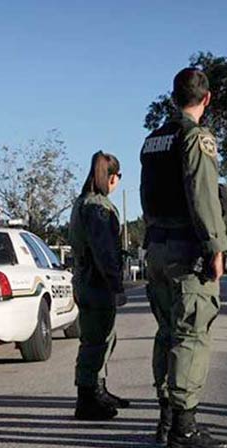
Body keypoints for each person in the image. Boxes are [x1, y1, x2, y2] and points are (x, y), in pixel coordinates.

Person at [140, 67, 227, 448]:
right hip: (185, 251)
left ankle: (165, 418)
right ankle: (184, 427)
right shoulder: (196, 138)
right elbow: (203, 196)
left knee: (166, 332)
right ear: (206, 99)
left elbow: (146, 196)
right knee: (191, 334)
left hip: (157, 246)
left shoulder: (152, 140)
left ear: (173, 97)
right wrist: (215, 247)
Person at [68, 151, 130, 421]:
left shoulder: (83, 202)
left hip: (87, 280)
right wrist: (116, 286)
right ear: (111, 176)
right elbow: (104, 252)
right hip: (97, 283)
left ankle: (98, 389)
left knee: (103, 338)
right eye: (117, 177)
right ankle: (87, 398)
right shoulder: (98, 207)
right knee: (96, 341)